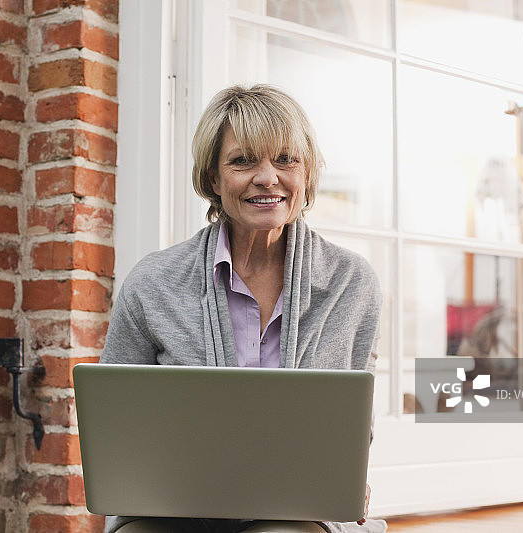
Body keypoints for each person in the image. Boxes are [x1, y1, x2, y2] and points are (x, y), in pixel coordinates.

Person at [100, 84, 385, 533]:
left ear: (306, 173)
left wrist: (350, 475)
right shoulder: (151, 284)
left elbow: (351, 425)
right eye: (243, 160)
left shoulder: (352, 282)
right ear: (213, 178)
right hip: (171, 505)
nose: (268, 177)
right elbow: (114, 428)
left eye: (286, 159)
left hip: (294, 506)